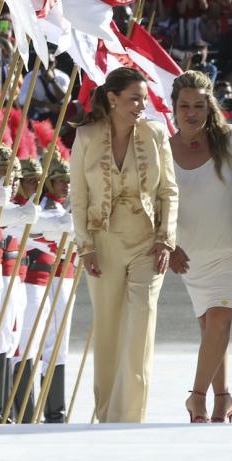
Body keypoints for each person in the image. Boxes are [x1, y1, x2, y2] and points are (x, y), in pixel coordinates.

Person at [70, 66, 179, 423]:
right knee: (108, 327)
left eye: (144, 100)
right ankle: (106, 413)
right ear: (112, 98)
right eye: (134, 99)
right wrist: (85, 247)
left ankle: (131, 416)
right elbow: (79, 197)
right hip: (103, 243)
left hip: (148, 243)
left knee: (140, 325)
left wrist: (166, 239)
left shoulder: (156, 133)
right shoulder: (86, 137)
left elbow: (168, 191)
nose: (141, 106)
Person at [169, 70, 232, 424]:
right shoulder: (162, 147)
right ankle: (224, 398)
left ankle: (196, 398)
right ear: (173, 108)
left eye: (199, 106)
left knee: (218, 322)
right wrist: (167, 244)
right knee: (211, 331)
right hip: (190, 256)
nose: (191, 113)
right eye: (184, 106)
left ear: (210, 106)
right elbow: (157, 202)